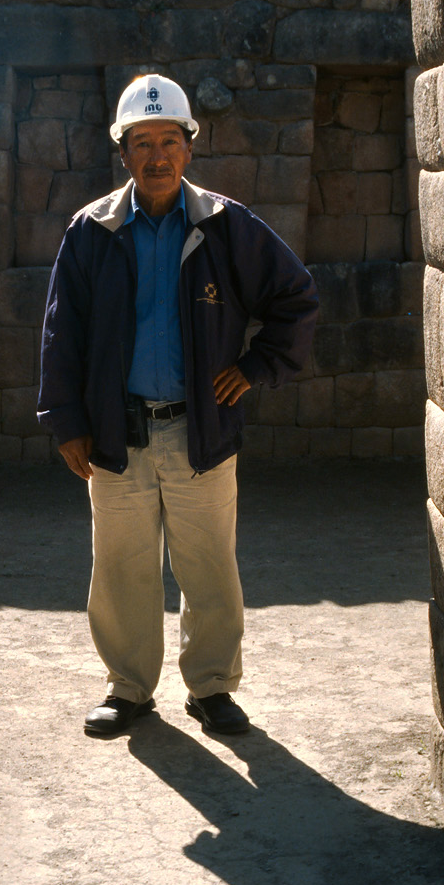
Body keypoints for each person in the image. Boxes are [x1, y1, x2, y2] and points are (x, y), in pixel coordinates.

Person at [37, 74, 318, 737]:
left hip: (201, 431)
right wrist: (67, 423)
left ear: (190, 147)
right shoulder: (92, 231)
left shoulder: (226, 226)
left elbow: (296, 298)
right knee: (122, 569)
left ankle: (212, 687)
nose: (157, 155)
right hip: (118, 432)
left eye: (169, 141)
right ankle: (129, 687)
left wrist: (255, 367)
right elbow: (60, 331)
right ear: (123, 152)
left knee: (209, 566)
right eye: (142, 142)